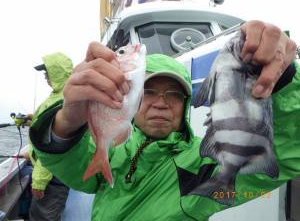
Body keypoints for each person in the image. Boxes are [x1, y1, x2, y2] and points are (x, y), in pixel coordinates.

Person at [29, 20, 299, 221]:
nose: (160, 102)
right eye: (148, 91)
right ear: (131, 97)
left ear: (185, 104)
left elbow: (287, 155)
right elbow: (75, 170)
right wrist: (66, 124)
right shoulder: (114, 150)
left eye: (174, 94)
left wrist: (285, 81)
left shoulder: (204, 163)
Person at [28, 52, 72, 221]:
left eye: (48, 72)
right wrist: (34, 120)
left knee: (42, 216)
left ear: (58, 72)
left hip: (52, 176)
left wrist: (39, 180)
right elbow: (48, 127)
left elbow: (52, 144)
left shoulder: (61, 100)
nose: (46, 77)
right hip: (53, 173)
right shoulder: (60, 94)